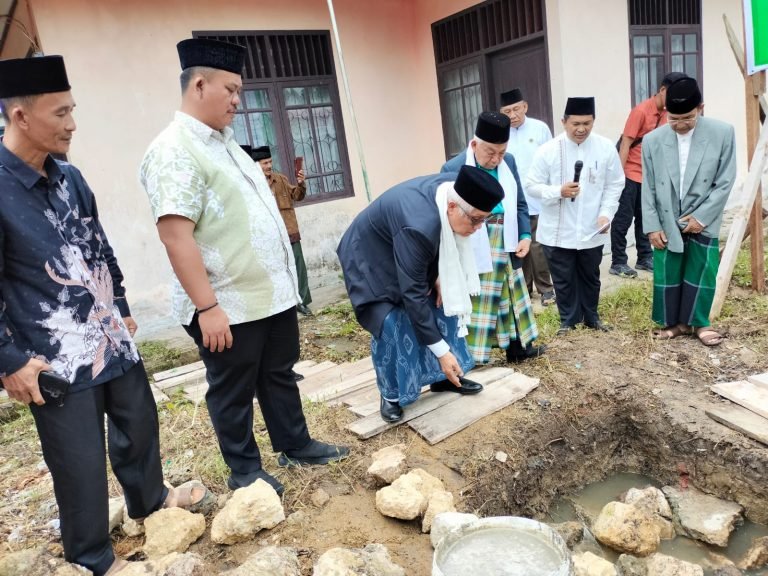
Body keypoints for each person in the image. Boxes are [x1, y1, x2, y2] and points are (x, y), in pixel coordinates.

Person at [0, 55, 209, 576]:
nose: (73, 124)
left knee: (139, 424)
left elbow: (100, 246)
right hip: (52, 355)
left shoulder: (71, 177)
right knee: (79, 460)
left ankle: (149, 501)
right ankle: (93, 556)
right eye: (60, 113)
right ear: (20, 117)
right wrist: (9, 360)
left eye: (73, 110)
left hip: (109, 335)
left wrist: (121, 306)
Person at [140, 38, 348, 495]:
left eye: (240, 91)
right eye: (231, 90)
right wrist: (207, 306)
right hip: (226, 302)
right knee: (232, 389)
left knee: (278, 373)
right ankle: (245, 470)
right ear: (199, 84)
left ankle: (295, 443)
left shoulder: (228, 145)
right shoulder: (174, 150)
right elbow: (176, 236)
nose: (238, 100)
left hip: (269, 295)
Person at [337, 165, 504, 423]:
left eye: (485, 219)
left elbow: (434, 251)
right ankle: (391, 394)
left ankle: (443, 378)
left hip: (406, 246)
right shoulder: (419, 226)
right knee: (391, 320)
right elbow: (412, 294)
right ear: (452, 208)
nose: (479, 227)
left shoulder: (455, 188)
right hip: (369, 258)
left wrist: (438, 276)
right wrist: (441, 351)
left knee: (442, 300)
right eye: (475, 219)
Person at [441, 111, 545, 365]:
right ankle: (474, 356)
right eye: (490, 153)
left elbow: (520, 203)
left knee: (511, 294)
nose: (496, 159)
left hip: (506, 236)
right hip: (475, 235)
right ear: (474, 144)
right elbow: (448, 211)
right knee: (480, 297)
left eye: (501, 152)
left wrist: (523, 235)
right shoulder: (453, 168)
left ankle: (518, 348)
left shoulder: (507, 162)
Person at [641, 77, 736, 346]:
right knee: (669, 271)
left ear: (701, 108)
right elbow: (647, 186)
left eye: (688, 118)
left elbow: (725, 180)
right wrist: (652, 225)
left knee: (701, 270)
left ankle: (700, 323)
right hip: (667, 214)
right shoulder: (652, 140)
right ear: (665, 113)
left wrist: (702, 217)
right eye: (674, 119)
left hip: (704, 215)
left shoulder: (722, 132)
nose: (680, 125)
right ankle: (676, 324)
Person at [526, 97, 624, 335]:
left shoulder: (605, 147)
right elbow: (531, 185)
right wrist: (557, 191)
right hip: (558, 229)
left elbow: (615, 184)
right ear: (564, 122)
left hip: (592, 227)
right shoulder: (548, 150)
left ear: (593, 122)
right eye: (576, 123)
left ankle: (591, 317)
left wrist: (606, 214)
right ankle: (568, 321)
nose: (581, 129)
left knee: (590, 275)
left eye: (587, 123)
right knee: (563, 278)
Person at [610, 72, 687, 278]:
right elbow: (625, 143)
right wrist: (618, 178)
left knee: (646, 219)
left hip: (648, 176)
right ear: (663, 90)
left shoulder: (668, 113)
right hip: (629, 173)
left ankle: (644, 257)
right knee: (623, 219)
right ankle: (618, 261)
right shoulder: (641, 111)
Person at [499, 88, 555, 306]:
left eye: (515, 109)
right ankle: (525, 288)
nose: (512, 115)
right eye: (506, 111)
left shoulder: (540, 129)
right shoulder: (501, 132)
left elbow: (551, 161)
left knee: (537, 246)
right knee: (519, 245)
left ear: (525, 107)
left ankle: (546, 289)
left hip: (538, 196)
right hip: (512, 199)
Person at [248, 145, 313, 316]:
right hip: (269, 237)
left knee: (299, 267)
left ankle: (302, 302)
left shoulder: (281, 179)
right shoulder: (252, 184)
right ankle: (282, 305)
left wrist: (301, 184)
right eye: (264, 163)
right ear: (256, 165)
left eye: (270, 162)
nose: (269, 166)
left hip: (290, 232)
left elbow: (297, 196)